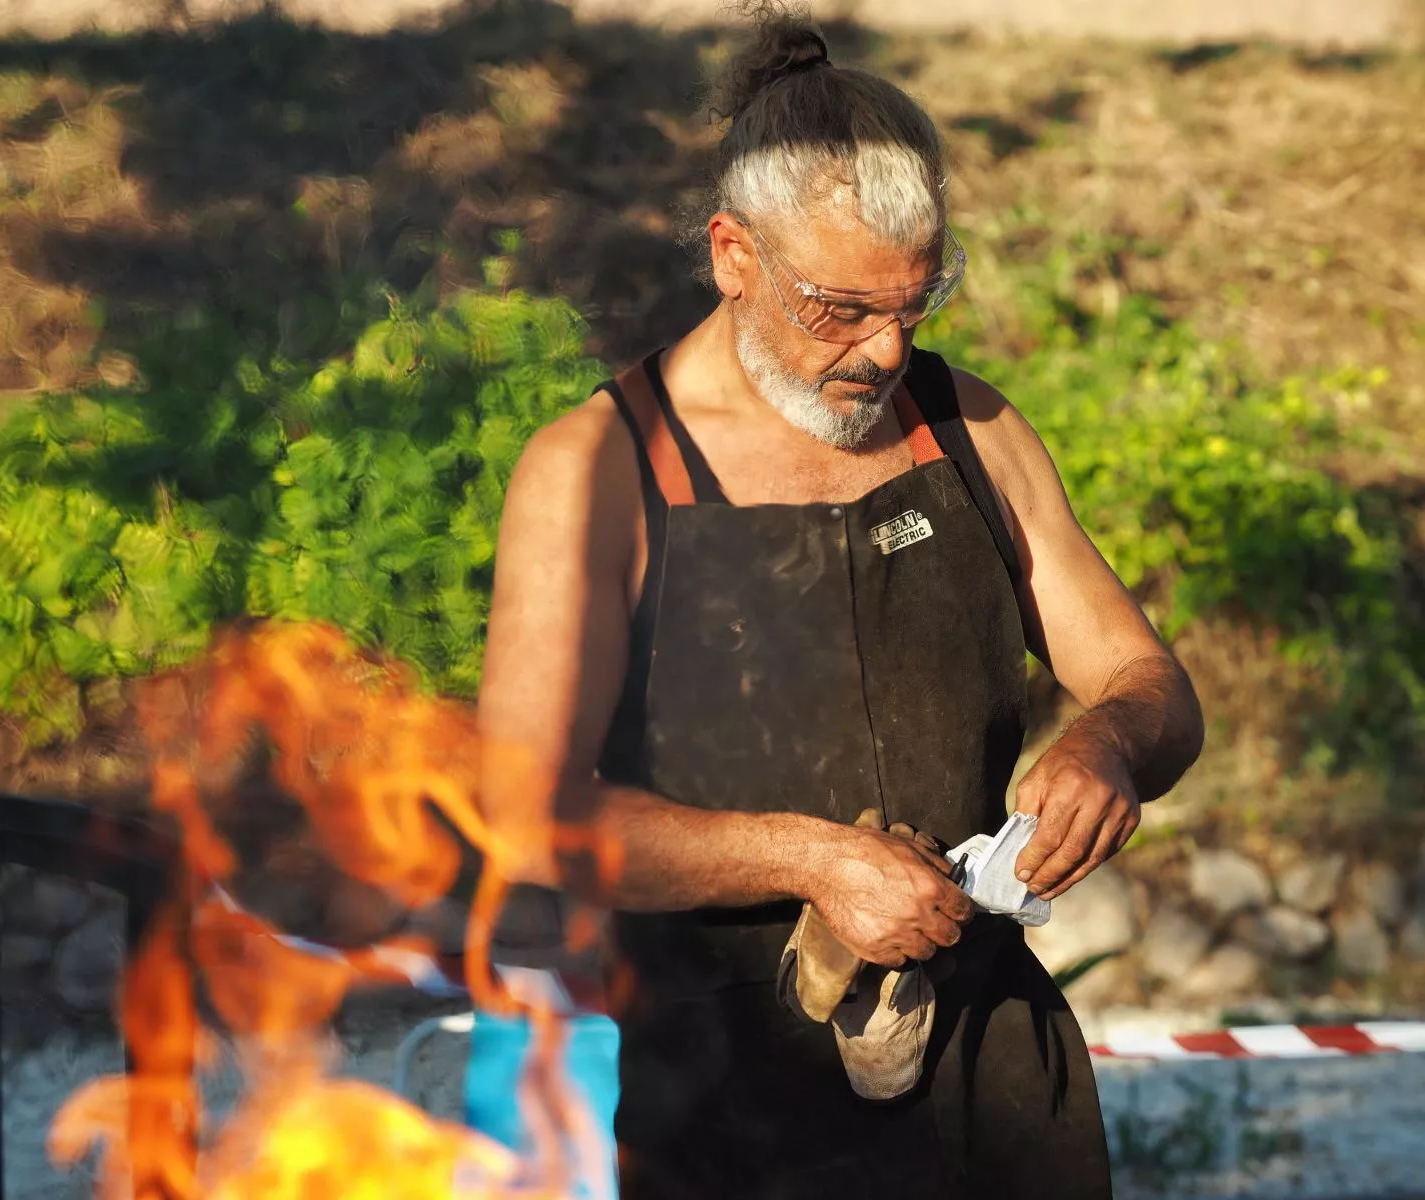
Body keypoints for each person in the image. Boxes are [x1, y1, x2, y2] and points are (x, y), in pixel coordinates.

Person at [474, 6, 1205, 1197]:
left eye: (915, 304)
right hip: (733, 1099)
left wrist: (1110, 747)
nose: (881, 350)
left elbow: (1147, 683)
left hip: (994, 1079)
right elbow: (524, 816)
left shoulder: (971, 429)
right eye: (840, 310)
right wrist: (809, 861)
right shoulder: (598, 471)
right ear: (731, 255)